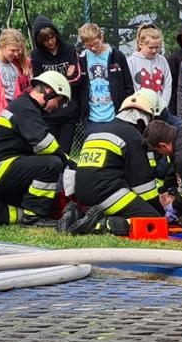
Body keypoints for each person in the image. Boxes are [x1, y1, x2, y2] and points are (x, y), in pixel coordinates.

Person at [58, 90, 167, 236]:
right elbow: (143, 185)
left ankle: (79, 216)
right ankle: (101, 225)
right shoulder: (132, 136)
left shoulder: (98, 130)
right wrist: (158, 211)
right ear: (147, 117)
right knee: (153, 220)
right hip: (107, 194)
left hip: (82, 194)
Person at [0, 70, 71, 227]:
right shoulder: (25, 108)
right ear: (49, 91)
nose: (58, 107)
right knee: (52, 164)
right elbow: (45, 144)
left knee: (37, 204)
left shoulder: (23, 105)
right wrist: (68, 162)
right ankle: (33, 218)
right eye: (59, 101)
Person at [28, 16, 84, 153]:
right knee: (51, 152)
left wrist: (56, 96)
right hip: (48, 113)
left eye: (52, 37)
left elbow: (77, 78)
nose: (50, 42)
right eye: (45, 40)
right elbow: (38, 85)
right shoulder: (36, 55)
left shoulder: (69, 49)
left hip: (68, 112)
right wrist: (66, 77)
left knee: (64, 152)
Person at [76, 22, 134, 131]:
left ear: (101, 37)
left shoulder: (117, 56)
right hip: (92, 118)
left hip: (115, 116)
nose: (92, 48)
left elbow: (128, 86)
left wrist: (125, 111)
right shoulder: (82, 59)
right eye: (88, 46)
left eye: (95, 44)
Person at [126, 24, 173, 112]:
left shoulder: (162, 60)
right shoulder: (131, 62)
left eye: (157, 47)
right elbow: (131, 87)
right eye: (151, 48)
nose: (154, 51)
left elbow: (168, 85)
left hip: (161, 109)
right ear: (140, 44)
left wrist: (163, 106)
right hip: (140, 109)